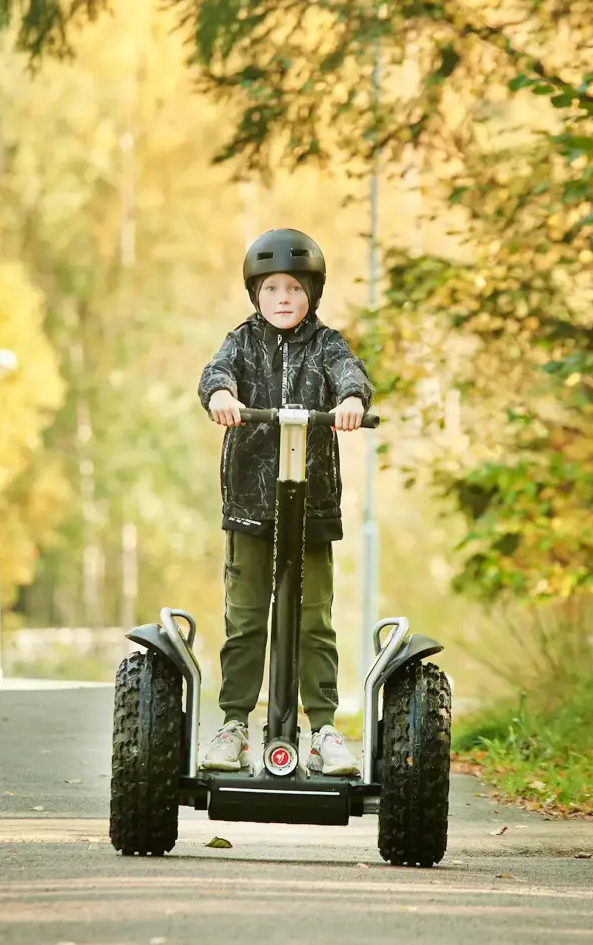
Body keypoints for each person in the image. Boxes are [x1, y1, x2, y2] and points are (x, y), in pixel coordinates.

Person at [196, 227, 374, 776]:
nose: (283, 299)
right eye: (272, 288)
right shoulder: (243, 342)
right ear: (256, 293)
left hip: (312, 509)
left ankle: (322, 728)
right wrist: (222, 395)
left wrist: (349, 399)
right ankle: (232, 726)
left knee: (315, 620)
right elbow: (215, 373)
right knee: (246, 619)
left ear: (312, 295)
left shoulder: (327, 345)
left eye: (294, 290)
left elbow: (353, 374)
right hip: (251, 505)